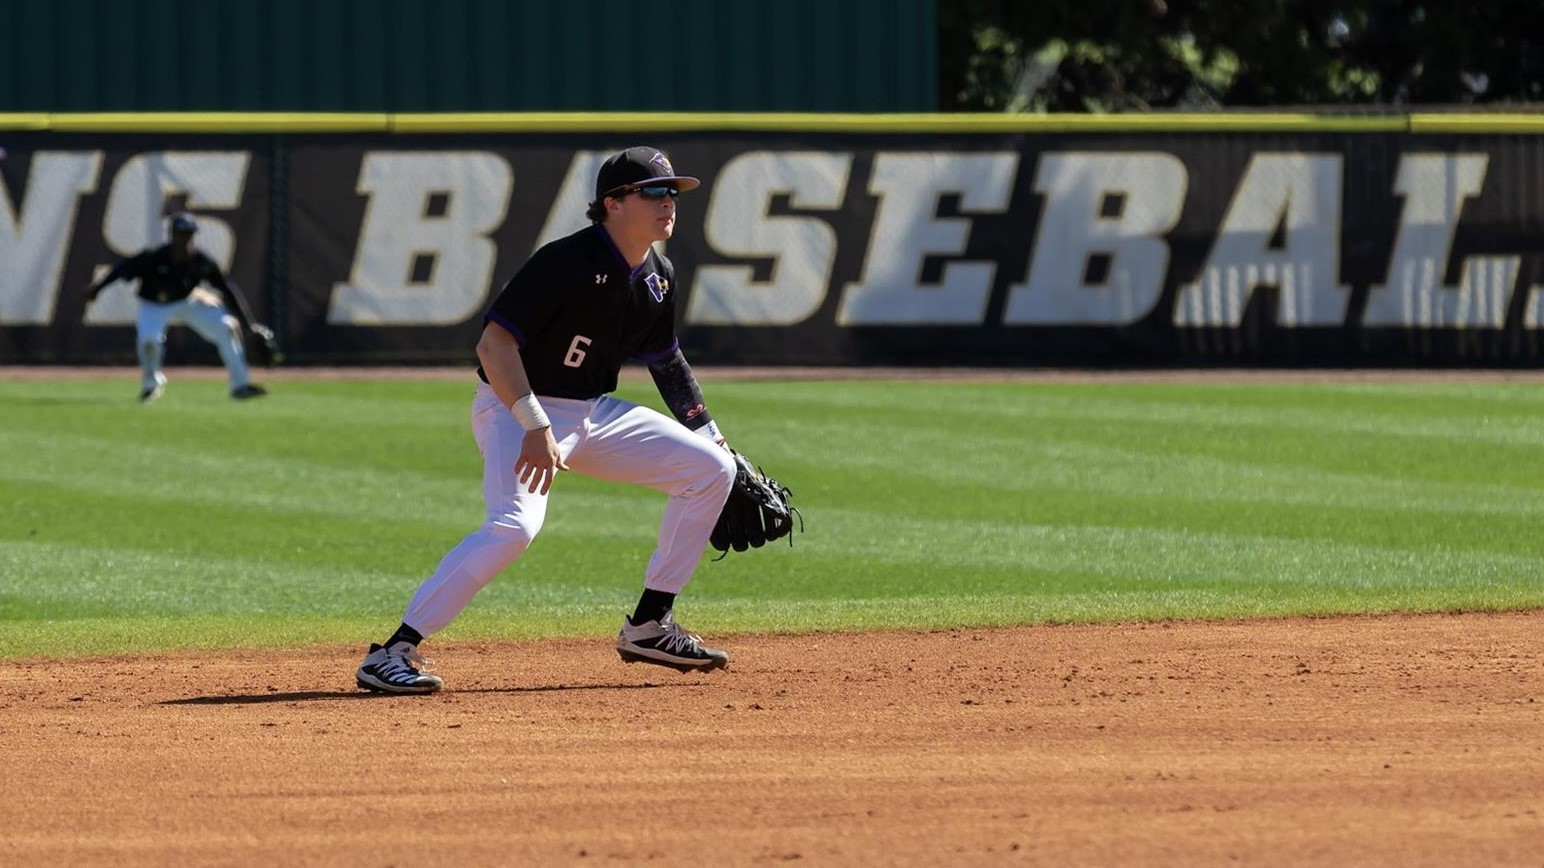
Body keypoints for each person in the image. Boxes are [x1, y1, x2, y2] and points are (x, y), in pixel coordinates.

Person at [355, 146, 738, 695]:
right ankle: (392, 650)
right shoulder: (566, 262)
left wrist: (716, 439)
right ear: (614, 203)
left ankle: (650, 624)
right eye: (655, 192)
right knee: (514, 526)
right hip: (516, 405)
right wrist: (534, 423)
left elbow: (666, 362)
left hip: (591, 411)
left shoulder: (658, 275)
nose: (669, 203)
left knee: (712, 471)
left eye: (673, 193)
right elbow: (494, 345)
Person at [86, 212, 270, 402]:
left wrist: (250, 325)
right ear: (172, 235)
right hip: (154, 306)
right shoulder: (154, 257)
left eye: (189, 234)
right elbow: (119, 270)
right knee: (149, 341)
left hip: (187, 301)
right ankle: (150, 386)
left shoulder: (200, 261)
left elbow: (227, 290)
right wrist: (97, 288)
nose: (185, 238)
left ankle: (240, 386)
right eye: (181, 234)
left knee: (227, 327)